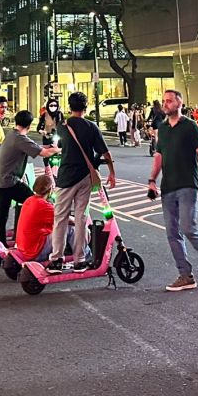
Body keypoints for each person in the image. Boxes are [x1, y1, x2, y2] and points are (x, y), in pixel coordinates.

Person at [148, 88, 198, 291]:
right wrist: (152, 179)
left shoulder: (190, 126)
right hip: (168, 185)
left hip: (187, 183)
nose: (165, 104)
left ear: (179, 103)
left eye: (169, 101)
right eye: (164, 101)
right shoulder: (163, 128)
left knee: (187, 226)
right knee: (171, 232)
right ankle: (185, 275)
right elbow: (159, 156)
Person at [48, 92, 116, 271]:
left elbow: (59, 147)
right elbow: (105, 153)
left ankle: (56, 259)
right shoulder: (91, 127)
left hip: (65, 178)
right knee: (81, 218)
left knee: (60, 218)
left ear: (70, 107)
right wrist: (112, 173)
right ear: (86, 107)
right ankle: (79, 259)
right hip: (85, 177)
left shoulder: (63, 126)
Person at [0, 109, 58, 242]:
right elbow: (44, 153)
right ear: (29, 125)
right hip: (9, 181)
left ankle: (0, 242)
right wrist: (60, 149)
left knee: (2, 214)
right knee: (34, 202)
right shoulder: (20, 139)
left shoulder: (12, 134)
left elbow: (32, 146)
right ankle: (27, 235)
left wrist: (47, 147)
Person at [14, 174, 57, 262]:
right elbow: (64, 220)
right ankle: (84, 258)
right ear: (50, 190)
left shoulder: (29, 200)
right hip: (35, 252)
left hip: (23, 248)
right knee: (69, 229)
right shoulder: (44, 206)